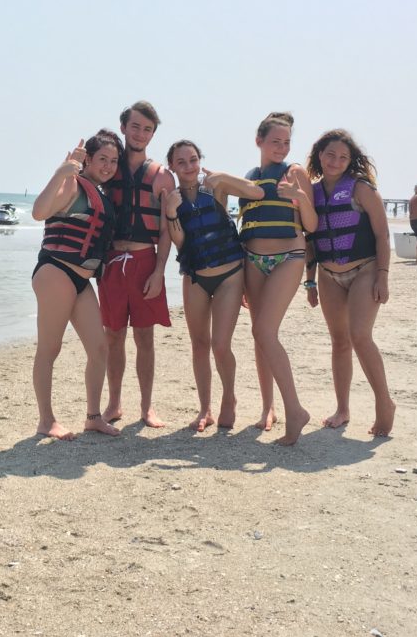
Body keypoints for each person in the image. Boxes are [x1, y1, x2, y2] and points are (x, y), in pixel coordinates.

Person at [163, 140, 264, 431]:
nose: (188, 166)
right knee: (199, 344)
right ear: (171, 166)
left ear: (200, 161)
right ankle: (205, 408)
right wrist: (171, 212)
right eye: (181, 162)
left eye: (193, 160)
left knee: (220, 344)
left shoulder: (215, 189)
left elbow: (255, 192)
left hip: (229, 275)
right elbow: (180, 244)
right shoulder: (171, 198)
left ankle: (228, 398)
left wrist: (223, 176)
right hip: (195, 276)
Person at [30, 132, 124, 441]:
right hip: (56, 271)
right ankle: (46, 421)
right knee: (50, 349)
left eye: (113, 161)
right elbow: (39, 212)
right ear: (88, 160)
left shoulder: (101, 194)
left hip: (81, 281)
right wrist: (61, 171)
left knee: (99, 348)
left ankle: (93, 417)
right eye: (102, 159)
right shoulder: (71, 183)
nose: (108, 166)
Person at [303, 129, 396, 437]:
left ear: (351, 160)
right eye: (330, 155)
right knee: (339, 341)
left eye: (343, 157)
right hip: (329, 275)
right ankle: (342, 409)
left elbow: (382, 235)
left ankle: (384, 403)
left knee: (359, 335)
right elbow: (310, 241)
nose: (336, 161)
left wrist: (383, 275)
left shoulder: (361, 189)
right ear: (319, 154)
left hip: (365, 269)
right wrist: (310, 281)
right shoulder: (311, 192)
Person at [238, 111, 317, 445]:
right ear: (259, 141)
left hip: (288, 257)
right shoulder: (250, 176)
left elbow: (311, 226)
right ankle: (267, 407)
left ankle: (295, 410)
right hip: (252, 260)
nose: (282, 148)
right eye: (275, 142)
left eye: (286, 142)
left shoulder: (295, 172)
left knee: (264, 331)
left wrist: (299, 198)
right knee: (260, 336)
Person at [98, 101, 176, 428]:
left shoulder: (161, 177)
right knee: (113, 336)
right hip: (113, 262)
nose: (140, 133)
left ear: (153, 133)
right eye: (135, 126)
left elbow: (166, 229)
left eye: (147, 129)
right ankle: (114, 403)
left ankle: (147, 407)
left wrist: (159, 271)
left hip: (145, 261)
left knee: (145, 338)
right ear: (123, 128)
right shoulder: (107, 171)